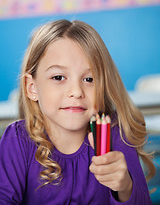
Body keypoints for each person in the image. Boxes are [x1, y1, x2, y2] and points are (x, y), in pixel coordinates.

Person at [0, 19, 155, 204]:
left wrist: (125, 187)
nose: (76, 92)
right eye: (58, 77)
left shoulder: (116, 133)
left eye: (89, 79)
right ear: (32, 88)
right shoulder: (17, 139)